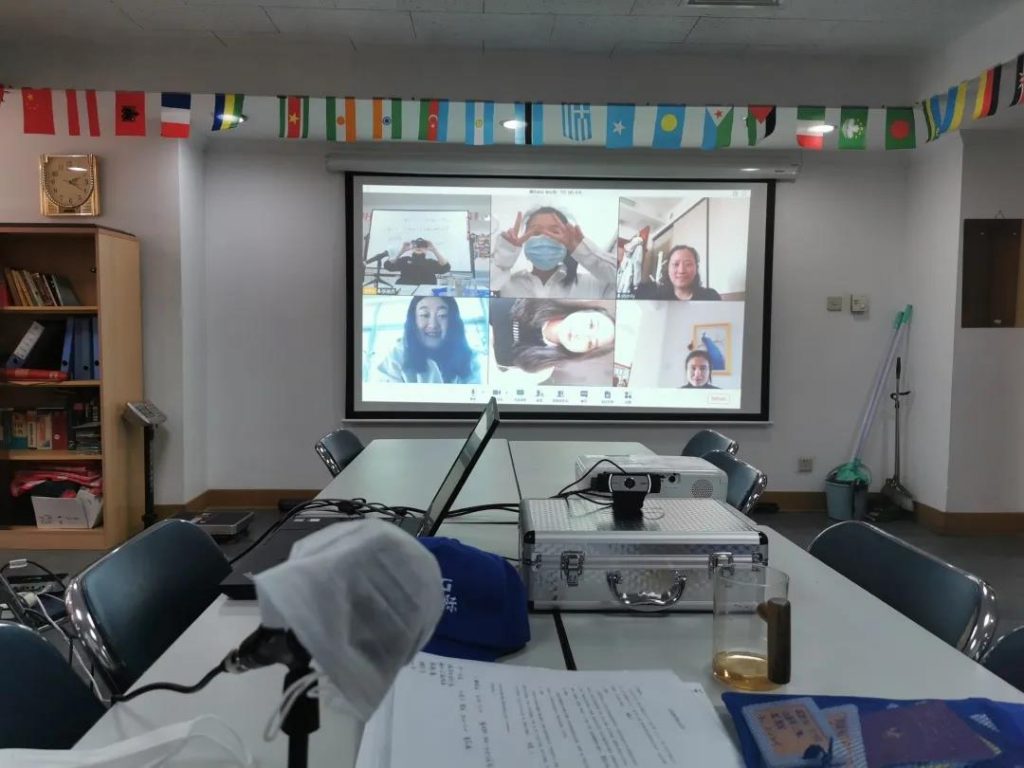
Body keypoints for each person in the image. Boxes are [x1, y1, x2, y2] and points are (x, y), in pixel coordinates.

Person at [490, 206, 616, 299]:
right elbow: (483, 292)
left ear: (567, 242)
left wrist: (582, 250)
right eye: (536, 233)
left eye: (554, 232)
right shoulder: (506, 285)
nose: (545, 238)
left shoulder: (592, 285)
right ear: (525, 241)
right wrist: (504, 260)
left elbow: (620, 278)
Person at [489, 298, 614, 383]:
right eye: (591, 325)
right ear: (583, 311)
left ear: (583, 353)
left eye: (590, 343)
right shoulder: (537, 296)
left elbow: (494, 382)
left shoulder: (541, 370)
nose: (581, 335)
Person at [374, 296, 481, 384]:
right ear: (413, 321)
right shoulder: (395, 357)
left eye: (442, 315)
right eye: (424, 315)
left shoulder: (469, 359)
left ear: (453, 321)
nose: (433, 325)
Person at [636, 245, 721, 301]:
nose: (681, 270)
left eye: (688, 264)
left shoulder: (710, 297)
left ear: (696, 268)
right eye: (675, 264)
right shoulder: (657, 297)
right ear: (668, 269)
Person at [382, 239, 451, 285]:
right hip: (406, 289)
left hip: (426, 291)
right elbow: (388, 266)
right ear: (412, 247)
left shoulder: (431, 262)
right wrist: (402, 251)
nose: (419, 247)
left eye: (422, 246)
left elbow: (446, 267)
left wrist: (434, 250)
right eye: (416, 245)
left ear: (426, 248)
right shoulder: (405, 260)